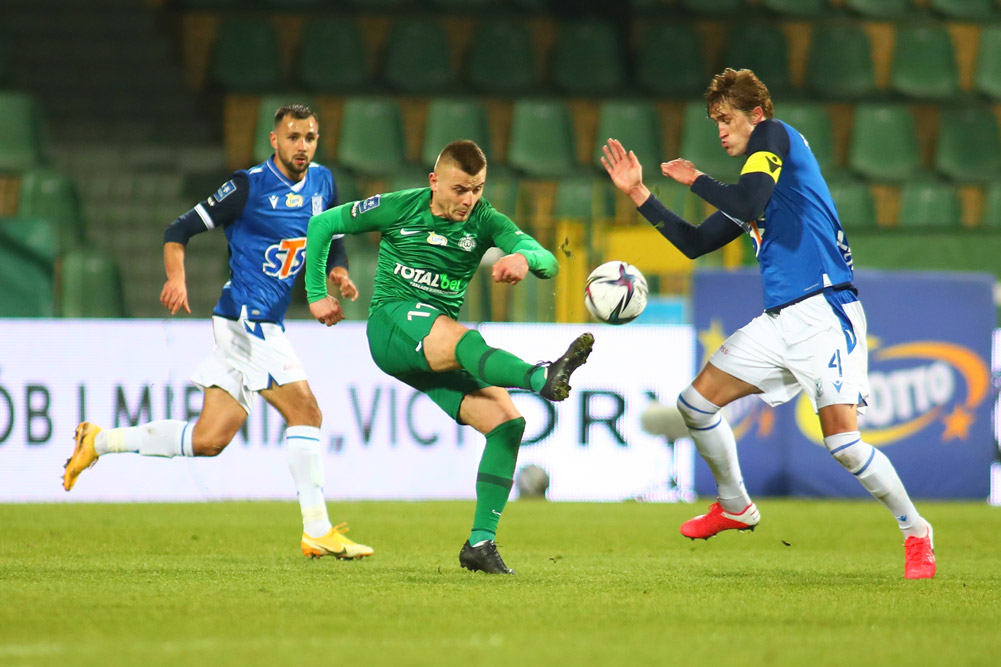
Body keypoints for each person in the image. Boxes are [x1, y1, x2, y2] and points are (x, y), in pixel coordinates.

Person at [600, 68, 936, 580]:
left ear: (755, 115)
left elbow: (746, 200)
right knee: (695, 404)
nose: (720, 129)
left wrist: (696, 179)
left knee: (844, 445)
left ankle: (916, 533)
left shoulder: (774, 137)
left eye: (727, 118)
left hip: (825, 311)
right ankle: (735, 505)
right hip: (780, 321)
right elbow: (695, 243)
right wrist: (640, 194)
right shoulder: (759, 184)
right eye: (715, 120)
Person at [63, 104, 374, 561]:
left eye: (309, 137)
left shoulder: (324, 183)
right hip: (248, 321)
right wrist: (176, 277)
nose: (302, 146)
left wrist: (339, 273)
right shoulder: (247, 186)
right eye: (293, 137)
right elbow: (179, 229)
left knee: (209, 440)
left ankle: (99, 440)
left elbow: (333, 236)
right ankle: (318, 530)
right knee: (306, 412)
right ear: (274, 140)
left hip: (256, 322)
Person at [304, 140, 594, 575]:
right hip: (391, 326)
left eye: (477, 188)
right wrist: (314, 294)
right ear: (434, 181)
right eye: (460, 189)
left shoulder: (484, 220)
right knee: (462, 338)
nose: (469, 199)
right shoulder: (400, 207)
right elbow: (324, 224)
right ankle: (540, 377)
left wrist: (521, 257)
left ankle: (480, 544)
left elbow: (549, 261)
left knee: (507, 424)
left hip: (432, 345)